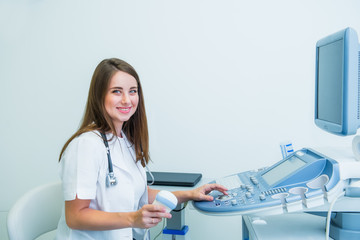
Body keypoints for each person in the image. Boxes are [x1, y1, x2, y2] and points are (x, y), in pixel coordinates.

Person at [56, 58, 228, 240]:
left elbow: (140, 193)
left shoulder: (126, 140)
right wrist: (132, 219)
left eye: (133, 91)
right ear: (99, 96)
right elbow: (75, 217)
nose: (126, 100)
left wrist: (189, 194)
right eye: (116, 91)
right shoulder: (86, 145)